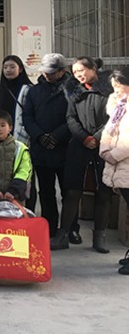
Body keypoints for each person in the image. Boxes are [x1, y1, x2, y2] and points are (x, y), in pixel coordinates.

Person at [53, 57, 113, 253]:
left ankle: (99, 237)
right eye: (75, 71)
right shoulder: (73, 90)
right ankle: (63, 235)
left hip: (104, 145)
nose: (78, 74)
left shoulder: (110, 89)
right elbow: (70, 117)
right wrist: (84, 137)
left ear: (93, 68)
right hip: (79, 144)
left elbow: (114, 117)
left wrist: (97, 137)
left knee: (103, 192)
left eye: (81, 70)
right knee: (72, 191)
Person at [22, 53, 74, 236]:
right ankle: (49, 228)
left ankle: (70, 228)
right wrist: (40, 136)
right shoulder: (34, 91)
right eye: (45, 71)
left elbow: (75, 118)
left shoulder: (73, 90)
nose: (46, 75)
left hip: (65, 147)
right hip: (41, 148)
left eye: (51, 72)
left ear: (62, 71)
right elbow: (27, 117)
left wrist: (57, 136)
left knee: (69, 192)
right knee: (45, 191)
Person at [99, 69, 129, 275]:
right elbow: (109, 131)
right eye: (114, 87)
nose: (116, 90)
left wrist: (114, 155)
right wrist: (105, 150)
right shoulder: (118, 106)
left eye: (119, 86)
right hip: (120, 165)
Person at [0, 55, 34, 145]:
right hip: (2, 133)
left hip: (21, 133)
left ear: (20, 69)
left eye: (12, 67)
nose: (8, 70)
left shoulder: (27, 89)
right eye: (5, 67)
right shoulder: (1, 88)